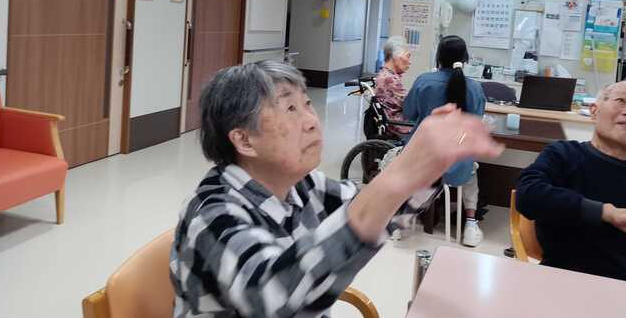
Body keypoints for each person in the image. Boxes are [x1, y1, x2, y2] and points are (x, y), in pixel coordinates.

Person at [170, 61, 503, 317]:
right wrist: (397, 176)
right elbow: (272, 297)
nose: (311, 120)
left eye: (307, 104)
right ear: (244, 140)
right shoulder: (211, 212)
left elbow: (380, 210)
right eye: (290, 109)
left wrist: (429, 167)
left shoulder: (304, 186)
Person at [516, 80, 626, 293]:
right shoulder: (564, 155)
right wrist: (607, 213)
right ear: (594, 111)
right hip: (566, 285)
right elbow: (528, 195)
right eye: (621, 101)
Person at [402, 35, 487, 247]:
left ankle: (406, 215)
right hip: (456, 165)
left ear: (438, 57)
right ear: (465, 58)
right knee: (471, 170)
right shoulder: (474, 88)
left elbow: (408, 113)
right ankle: (470, 225)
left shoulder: (424, 81)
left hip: (421, 160)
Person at [373, 36, 412, 135]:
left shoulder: (384, 74)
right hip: (398, 127)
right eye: (408, 56)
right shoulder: (390, 79)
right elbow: (411, 106)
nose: (410, 62)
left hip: (393, 122)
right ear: (395, 57)